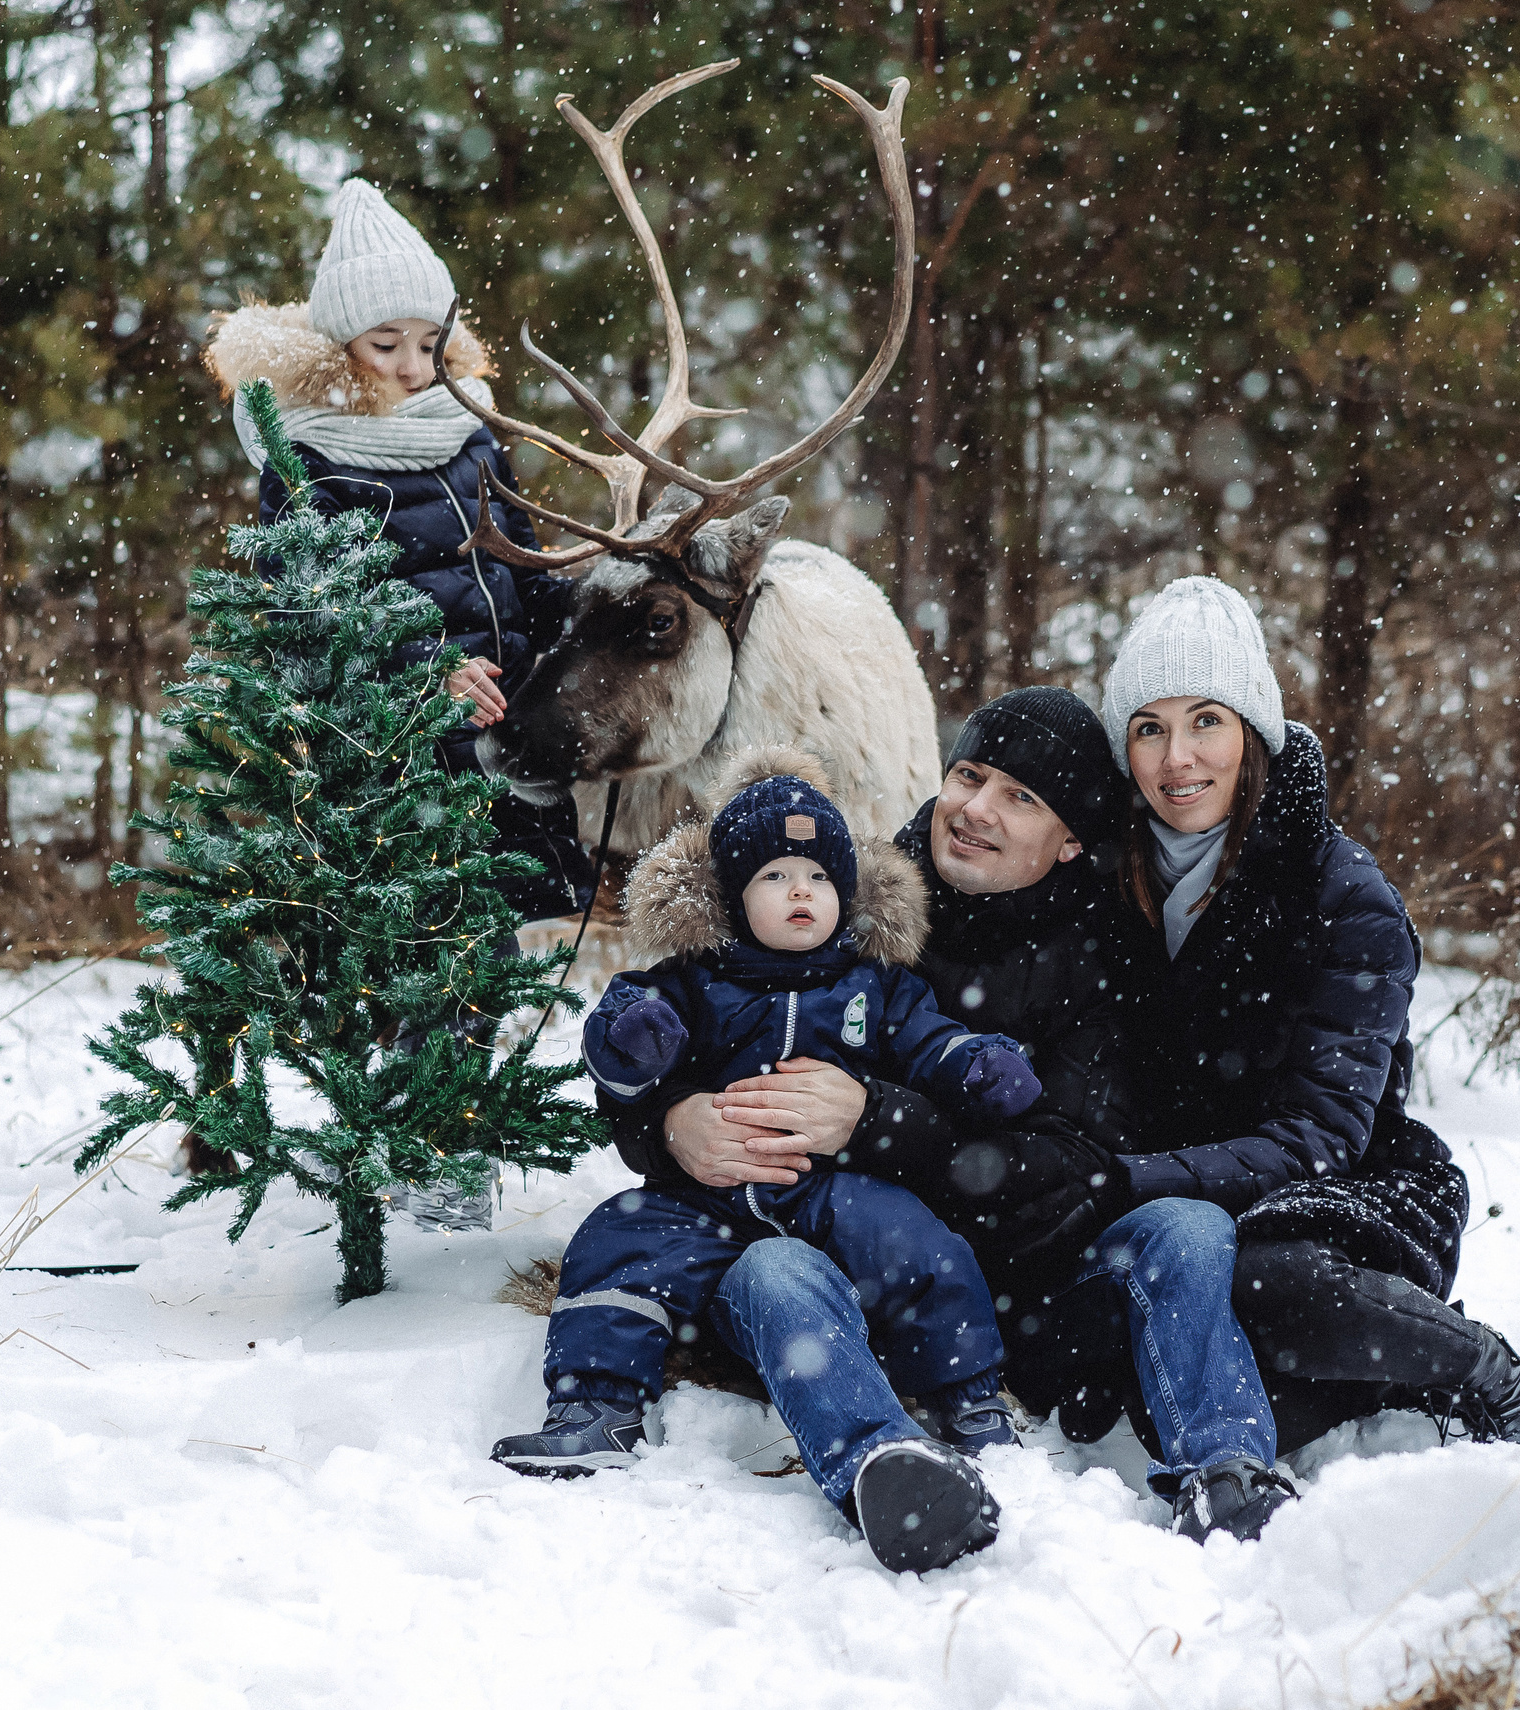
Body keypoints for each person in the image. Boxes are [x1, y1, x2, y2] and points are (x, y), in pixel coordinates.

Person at [608, 692, 1295, 1542]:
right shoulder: (839, 900)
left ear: (1072, 838)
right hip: (850, 1271)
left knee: (1185, 1228)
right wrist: (669, 1123)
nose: (974, 808)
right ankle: (886, 1468)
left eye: (1021, 797)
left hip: (1032, 1297)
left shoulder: (1103, 959)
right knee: (771, 1274)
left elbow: (1079, 1168)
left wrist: (876, 1123)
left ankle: (1225, 1471)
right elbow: (674, 1028)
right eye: (969, 776)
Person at [494, 751, 1031, 1574]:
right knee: (617, 1238)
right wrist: (636, 1040)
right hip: (703, 1192)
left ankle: (968, 1395)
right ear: (733, 896)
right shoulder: (695, 980)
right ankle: (596, 1403)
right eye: (776, 875)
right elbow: (620, 1049)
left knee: (914, 1240)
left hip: (830, 1186)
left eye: (818, 875)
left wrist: (974, 1065)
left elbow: (930, 1043)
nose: (801, 891)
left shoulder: (872, 986)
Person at [1096, 576, 1520, 1450]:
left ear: (1253, 735)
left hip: (1341, 1195)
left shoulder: (1342, 897)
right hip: (1165, 1196)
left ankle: (1474, 1364)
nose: (1177, 760)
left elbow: (1322, 1133)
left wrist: (1121, 1179)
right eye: (1149, 728)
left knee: (1261, 1286)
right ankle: (1344, 1391)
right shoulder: (1101, 877)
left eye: (1206, 721)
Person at [203, 178, 592, 925]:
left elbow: (525, 577)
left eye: (430, 342)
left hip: (505, 748)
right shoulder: (309, 458)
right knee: (428, 980)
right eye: (386, 345)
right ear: (342, 348)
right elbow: (308, 620)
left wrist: (604, 601)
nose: (415, 367)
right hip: (396, 776)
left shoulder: (470, 434)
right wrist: (427, 676)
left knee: (496, 984)